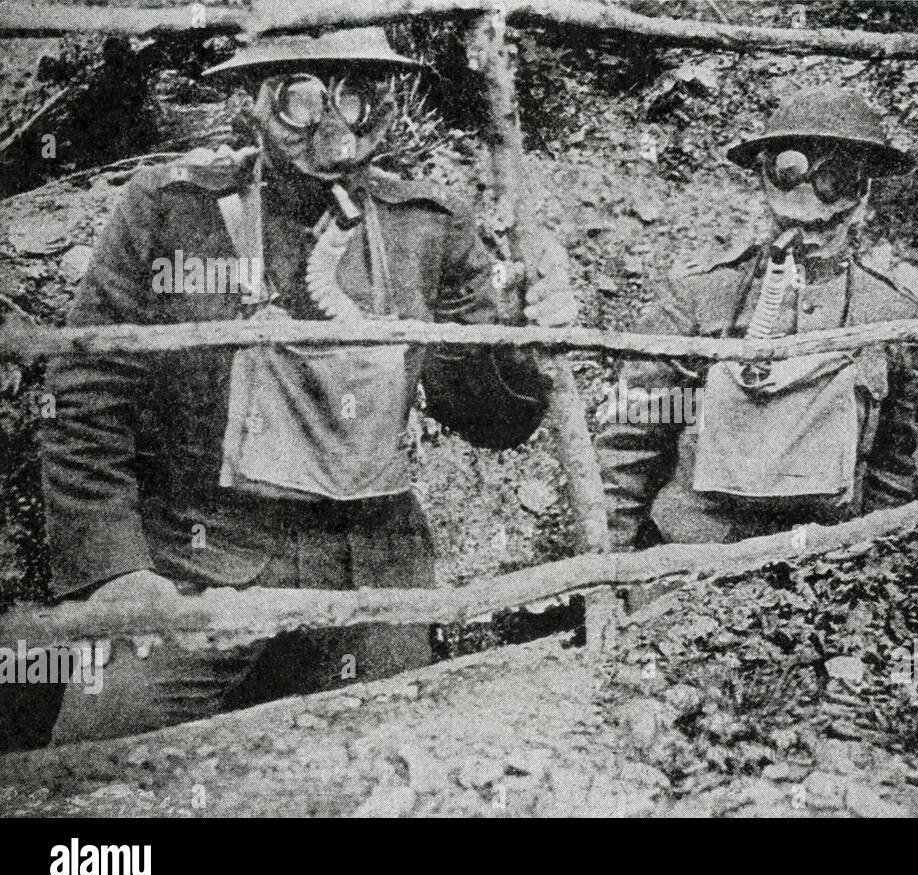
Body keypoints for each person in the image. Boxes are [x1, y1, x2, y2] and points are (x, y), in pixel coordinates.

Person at [38, 28, 577, 743]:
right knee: (93, 760)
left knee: (410, 756)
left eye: (355, 95)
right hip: (204, 563)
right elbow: (85, 399)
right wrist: (118, 576)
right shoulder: (174, 209)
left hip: (371, 570)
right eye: (301, 98)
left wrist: (523, 339)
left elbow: (490, 419)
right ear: (253, 105)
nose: (334, 130)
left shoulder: (428, 226)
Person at [596, 87, 918, 549]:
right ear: (766, 179)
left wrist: (878, 562)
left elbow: (891, 465)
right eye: (792, 168)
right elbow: (632, 442)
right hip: (697, 556)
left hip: (826, 562)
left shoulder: (892, 314)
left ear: (863, 193)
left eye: (836, 177)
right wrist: (611, 566)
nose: (812, 194)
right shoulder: (699, 297)